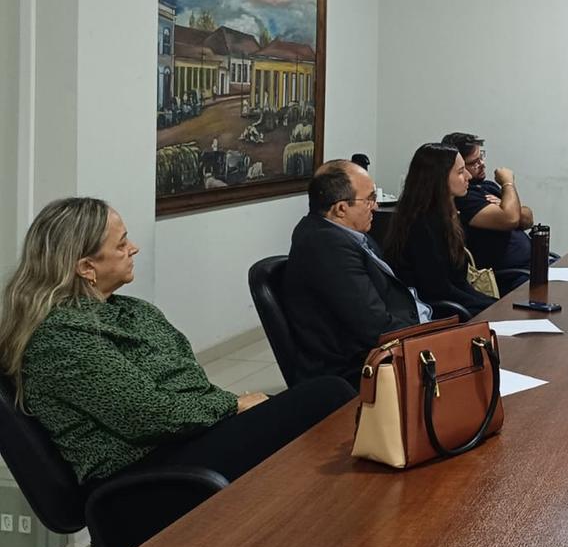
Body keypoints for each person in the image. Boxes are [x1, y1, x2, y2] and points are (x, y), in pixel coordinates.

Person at [0, 197, 355, 487]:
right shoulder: (61, 338)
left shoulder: (133, 310)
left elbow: (186, 386)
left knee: (319, 415)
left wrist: (231, 407)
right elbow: (147, 415)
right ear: (85, 267)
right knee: (327, 396)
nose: (134, 248)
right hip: (151, 471)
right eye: (121, 244)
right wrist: (231, 405)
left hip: (191, 438)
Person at [285, 160, 430, 385]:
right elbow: (375, 327)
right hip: (364, 367)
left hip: (399, 338)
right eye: (370, 199)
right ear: (341, 208)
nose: (376, 206)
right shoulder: (325, 246)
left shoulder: (344, 233)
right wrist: (430, 339)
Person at [383, 144, 496, 318]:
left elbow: (459, 283)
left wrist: (494, 305)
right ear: (438, 178)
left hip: (456, 303)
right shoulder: (420, 224)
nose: (468, 176)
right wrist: (489, 308)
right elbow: (438, 290)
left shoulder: (446, 215)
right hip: (438, 311)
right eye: (460, 172)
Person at [441, 132, 533, 294]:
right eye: (473, 163)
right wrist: (508, 183)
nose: (482, 164)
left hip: (532, 264)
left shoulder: (487, 186)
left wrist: (507, 208)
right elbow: (511, 219)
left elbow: (527, 218)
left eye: (481, 157)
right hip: (511, 276)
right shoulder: (465, 197)